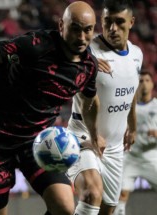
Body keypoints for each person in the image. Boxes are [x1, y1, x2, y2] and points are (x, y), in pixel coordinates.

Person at [0, 1, 103, 215]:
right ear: (61, 26)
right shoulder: (35, 45)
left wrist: (95, 134)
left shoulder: (89, 66)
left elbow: (90, 100)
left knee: (64, 208)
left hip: (39, 143)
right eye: (75, 28)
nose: (82, 37)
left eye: (88, 30)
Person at [66, 0, 143, 214]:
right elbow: (65, 58)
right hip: (85, 138)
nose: (112, 28)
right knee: (91, 194)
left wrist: (133, 126)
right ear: (101, 21)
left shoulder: (137, 54)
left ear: (131, 22)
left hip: (115, 147)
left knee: (108, 208)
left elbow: (131, 91)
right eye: (107, 22)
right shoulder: (86, 51)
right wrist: (85, 60)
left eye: (119, 22)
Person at [113, 71, 157, 215]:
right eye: (141, 80)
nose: (144, 83)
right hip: (131, 156)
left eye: (147, 80)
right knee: (121, 195)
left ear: (152, 85)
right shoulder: (128, 108)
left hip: (152, 157)